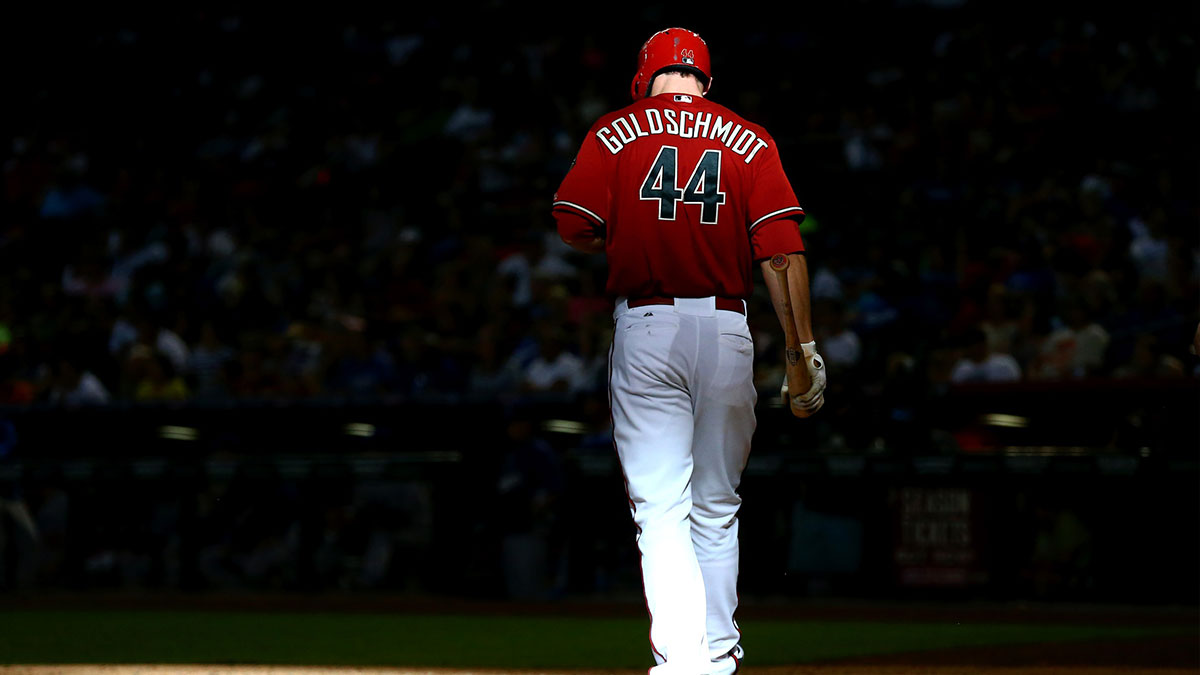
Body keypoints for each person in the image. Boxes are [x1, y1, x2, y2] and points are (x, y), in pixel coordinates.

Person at [551, 27, 825, 675]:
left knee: (661, 507)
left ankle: (682, 661)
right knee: (717, 503)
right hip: (728, 326)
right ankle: (720, 651)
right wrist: (801, 347)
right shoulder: (749, 137)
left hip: (647, 324)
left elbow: (574, 225)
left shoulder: (614, 131)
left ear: (645, 75)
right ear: (705, 78)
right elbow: (782, 248)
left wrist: (634, 238)